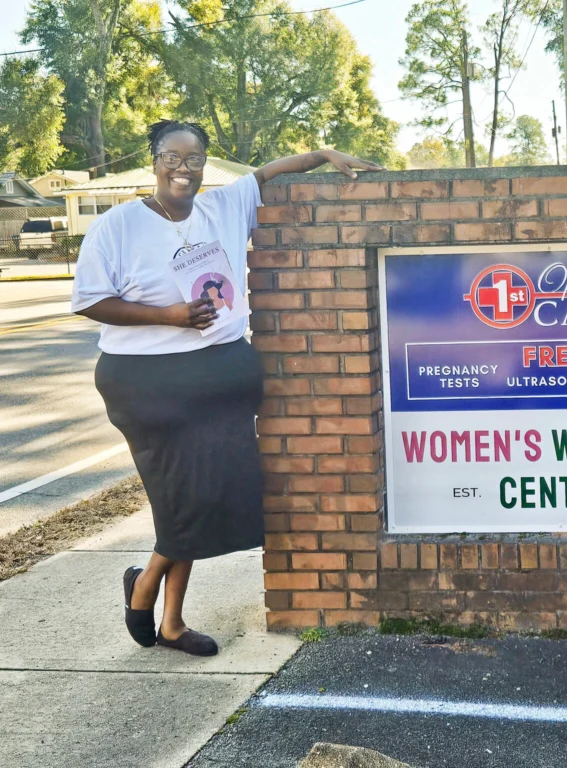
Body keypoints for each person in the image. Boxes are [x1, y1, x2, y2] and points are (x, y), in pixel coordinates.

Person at [72, 119, 381, 656]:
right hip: (149, 386)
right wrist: (170, 315)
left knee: (203, 497)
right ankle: (145, 592)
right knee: (180, 501)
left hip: (217, 380)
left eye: (194, 160)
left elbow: (269, 172)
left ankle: (168, 620)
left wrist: (324, 152)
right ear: (155, 159)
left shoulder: (223, 207)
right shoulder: (118, 226)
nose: (183, 169)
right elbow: (90, 301)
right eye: (173, 157)